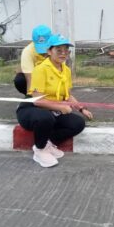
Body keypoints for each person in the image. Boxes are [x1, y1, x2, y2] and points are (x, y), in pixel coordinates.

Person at [16, 34, 93, 168]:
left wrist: (81, 108)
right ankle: (39, 149)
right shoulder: (41, 69)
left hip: (53, 110)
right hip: (33, 109)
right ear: (49, 51)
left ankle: (48, 143)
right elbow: (37, 101)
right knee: (46, 118)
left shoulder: (66, 70)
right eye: (59, 50)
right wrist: (60, 108)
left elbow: (67, 95)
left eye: (66, 50)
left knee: (78, 123)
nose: (63, 54)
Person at [14, 24, 52, 95]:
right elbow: (29, 78)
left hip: (51, 77)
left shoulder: (57, 50)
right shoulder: (27, 51)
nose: (43, 52)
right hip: (35, 77)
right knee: (20, 80)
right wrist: (30, 99)